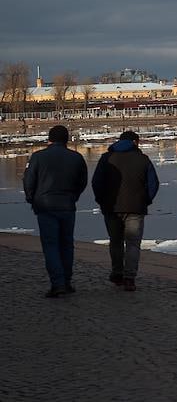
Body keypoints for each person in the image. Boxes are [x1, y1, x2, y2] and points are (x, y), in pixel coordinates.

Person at [23, 125, 88, 298]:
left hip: (45, 206)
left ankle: (57, 283)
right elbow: (82, 181)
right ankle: (66, 281)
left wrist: (32, 199)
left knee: (50, 245)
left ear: (49, 139)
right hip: (67, 205)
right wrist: (73, 196)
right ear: (66, 139)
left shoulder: (37, 157)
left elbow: (28, 181)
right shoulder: (76, 157)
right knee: (67, 244)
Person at [92, 131, 159, 292]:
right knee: (133, 244)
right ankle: (130, 277)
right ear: (135, 142)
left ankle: (117, 272)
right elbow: (153, 184)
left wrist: (102, 201)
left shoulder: (106, 158)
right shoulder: (143, 159)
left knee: (115, 241)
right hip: (136, 207)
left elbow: (96, 182)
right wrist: (145, 200)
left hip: (111, 208)